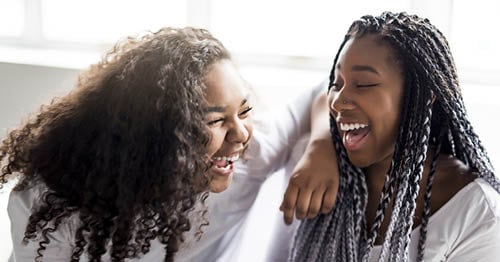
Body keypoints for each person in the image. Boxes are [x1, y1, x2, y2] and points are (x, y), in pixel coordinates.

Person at [1, 27, 255, 261]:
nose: (241, 134)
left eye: (244, 111)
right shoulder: (49, 207)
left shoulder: (243, 164)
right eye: (216, 120)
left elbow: (292, 117)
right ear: (157, 135)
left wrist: (298, 166)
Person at [289, 11, 500, 262]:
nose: (339, 101)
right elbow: (321, 98)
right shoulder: (329, 174)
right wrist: (319, 146)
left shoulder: (478, 212)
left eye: (364, 84)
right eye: (337, 83)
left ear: (422, 96)